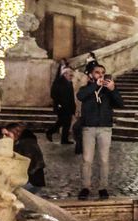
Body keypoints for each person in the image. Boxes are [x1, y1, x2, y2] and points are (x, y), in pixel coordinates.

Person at [76, 65, 122, 199]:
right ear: (91, 75)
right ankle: (85, 187)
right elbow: (80, 96)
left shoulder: (108, 91)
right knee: (87, 159)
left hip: (105, 128)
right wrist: (94, 86)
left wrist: (113, 90)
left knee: (104, 159)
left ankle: (103, 187)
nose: (100, 75)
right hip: (88, 127)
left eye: (103, 73)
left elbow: (120, 104)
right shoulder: (86, 89)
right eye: (97, 72)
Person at [0, 121, 46, 193]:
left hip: (31, 182)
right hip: (32, 180)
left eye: (7, 135)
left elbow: (25, 166)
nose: (4, 137)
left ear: (15, 133)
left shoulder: (26, 144)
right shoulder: (22, 142)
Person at [45, 61, 76, 143]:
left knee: (66, 123)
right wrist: (59, 103)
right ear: (65, 74)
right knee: (62, 122)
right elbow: (53, 94)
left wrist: (73, 108)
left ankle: (63, 139)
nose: (71, 77)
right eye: (70, 75)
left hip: (68, 106)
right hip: (61, 106)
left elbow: (71, 96)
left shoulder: (70, 83)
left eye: (72, 75)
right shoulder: (58, 82)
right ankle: (50, 132)